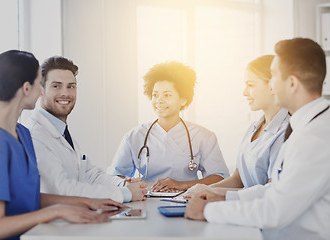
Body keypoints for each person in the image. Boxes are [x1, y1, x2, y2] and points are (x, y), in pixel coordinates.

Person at [0, 50, 126, 240]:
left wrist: (87, 202)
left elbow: (32, 197)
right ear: (27, 88)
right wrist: (57, 211)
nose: (41, 91)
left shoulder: (23, 134)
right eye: (39, 84)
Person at [185, 38, 330, 240]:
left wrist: (208, 211)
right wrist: (224, 196)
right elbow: (277, 189)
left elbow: (275, 211)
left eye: (273, 76)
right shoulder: (305, 126)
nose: (270, 84)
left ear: (292, 83)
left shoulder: (316, 137)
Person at [23, 56, 146, 203]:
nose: (65, 93)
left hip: (74, 218)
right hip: (53, 223)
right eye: (56, 86)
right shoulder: (35, 135)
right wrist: (125, 194)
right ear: (40, 91)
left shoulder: (61, 132)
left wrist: (122, 184)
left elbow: (90, 174)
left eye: (71, 86)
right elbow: (62, 190)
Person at [107, 61, 229, 192]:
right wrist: (127, 183)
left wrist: (181, 185)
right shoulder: (135, 136)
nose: (159, 100)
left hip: (188, 201)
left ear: (183, 99)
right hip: (144, 200)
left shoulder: (203, 136)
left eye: (167, 95)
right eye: (155, 95)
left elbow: (220, 178)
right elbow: (115, 176)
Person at [184, 55, 289, 199]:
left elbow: (270, 192)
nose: (244, 92)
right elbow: (237, 180)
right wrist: (202, 189)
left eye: (250, 85)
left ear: (272, 85)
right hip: (242, 210)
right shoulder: (254, 127)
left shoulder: (286, 133)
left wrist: (213, 193)